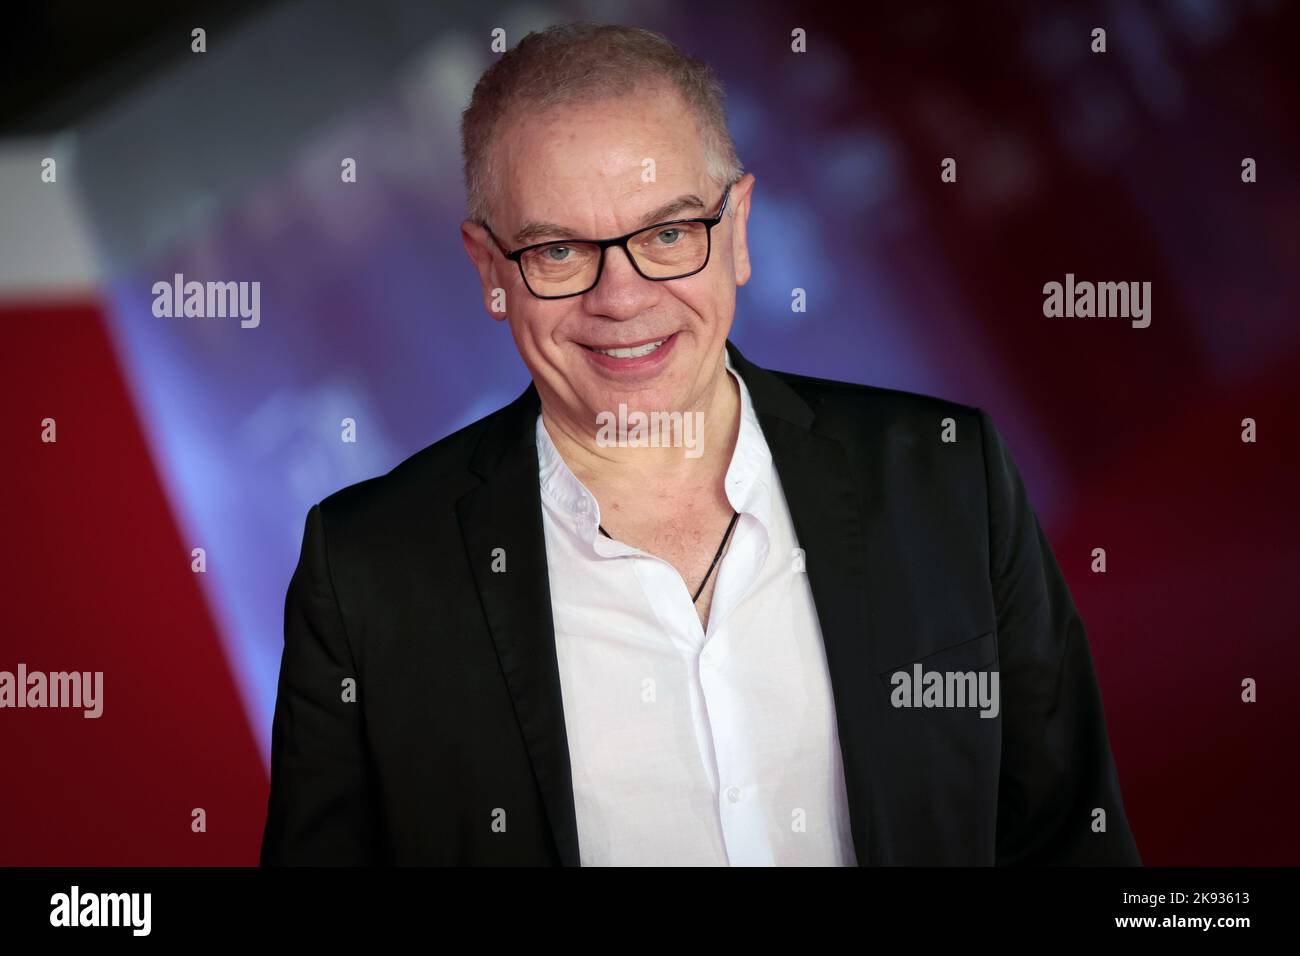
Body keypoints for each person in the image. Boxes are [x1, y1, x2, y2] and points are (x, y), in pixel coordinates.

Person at [260, 22, 1140, 866]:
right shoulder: (368, 577)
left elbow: (1070, 845)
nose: (623, 297)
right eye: (560, 251)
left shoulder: (947, 475)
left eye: (669, 233)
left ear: (740, 229)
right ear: (491, 270)